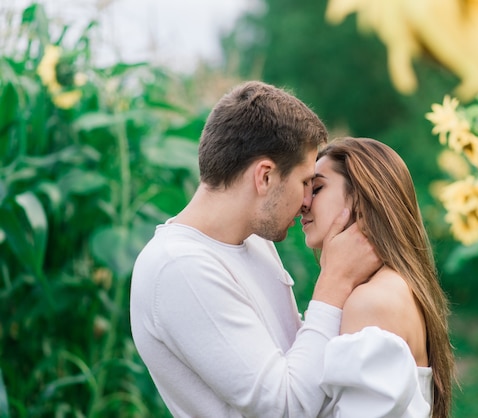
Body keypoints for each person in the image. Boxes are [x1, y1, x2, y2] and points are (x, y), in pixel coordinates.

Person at [129, 81, 381, 418]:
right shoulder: (178, 268)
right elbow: (286, 408)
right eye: (305, 182)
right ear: (264, 177)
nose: (307, 201)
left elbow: (294, 357)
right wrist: (334, 283)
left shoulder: (254, 240)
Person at [301, 137, 454, 418]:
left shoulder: (370, 302)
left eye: (317, 188)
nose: (304, 203)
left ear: (360, 196)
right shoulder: (400, 285)